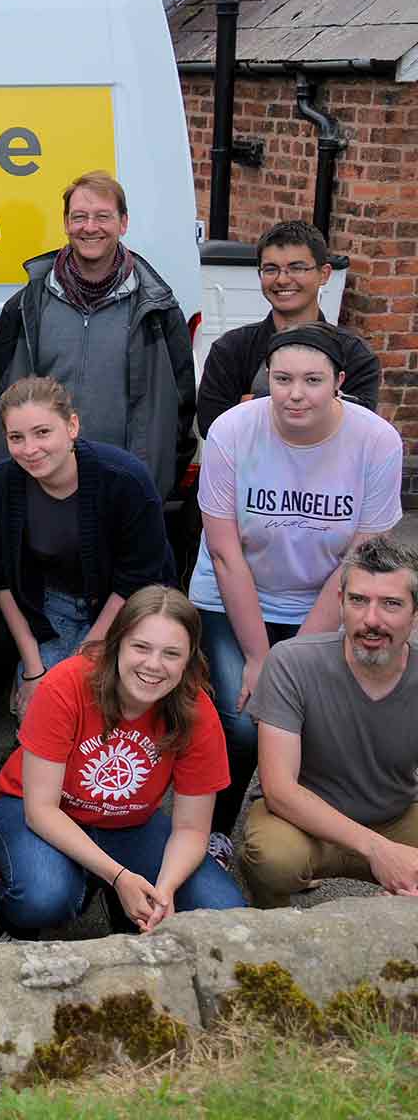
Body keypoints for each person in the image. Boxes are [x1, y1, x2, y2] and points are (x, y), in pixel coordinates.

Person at [188, 322, 402, 846]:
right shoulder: (233, 431)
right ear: (267, 377)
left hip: (326, 595)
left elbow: (359, 560)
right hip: (235, 592)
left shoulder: (376, 441)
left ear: (339, 382)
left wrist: (293, 659)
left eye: (312, 380)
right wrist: (262, 658)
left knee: (314, 715)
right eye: (282, 379)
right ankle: (215, 834)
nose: (296, 394)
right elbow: (224, 551)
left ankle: (301, 833)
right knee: (242, 720)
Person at [0, 586, 245, 937]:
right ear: (117, 643)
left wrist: (164, 892)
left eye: (171, 653)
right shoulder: (67, 684)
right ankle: (19, 923)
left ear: (189, 660)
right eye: (141, 647)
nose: (153, 665)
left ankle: (122, 897)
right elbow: (40, 810)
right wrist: (119, 875)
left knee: (224, 907)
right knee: (43, 897)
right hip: (36, 810)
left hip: (129, 822)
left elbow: (192, 829)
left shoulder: (196, 711)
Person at [0, 172, 195, 500]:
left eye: (103, 216)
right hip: (40, 487)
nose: (90, 227)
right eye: (79, 217)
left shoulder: (158, 309)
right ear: (66, 223)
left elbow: (182, 407)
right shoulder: (27, 305)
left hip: (123, 490)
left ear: (123, 223)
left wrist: (156, 482)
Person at [0, 377, 176, 718]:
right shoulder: (0, 486)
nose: (30, 449)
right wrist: (32, 668)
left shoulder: (125, 479)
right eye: (16, 437)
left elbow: (137, 579)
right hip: (52, 604)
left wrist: (86, 654)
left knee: (107, 704)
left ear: (72, 426)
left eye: (43, 432)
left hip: (130, 603)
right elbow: (1, 582)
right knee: (43, 710)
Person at [240, 536, 418, 907]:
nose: (371, 619)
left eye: (391, 604)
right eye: (358, 600)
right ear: (340, 603)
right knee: (272, 858)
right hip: (305, 824)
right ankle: (270, 935)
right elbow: (279, 790)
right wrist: (378, 850)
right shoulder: (292, 663)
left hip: (395, 814)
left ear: (414, 614)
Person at [195, 220, 380, 436]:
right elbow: (212, 427)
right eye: (271, 269)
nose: (282, 280)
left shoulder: (355, 355)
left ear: (324, 274)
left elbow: (360, 427)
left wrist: (254, 402)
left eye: (297, 268)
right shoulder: (231, 349)